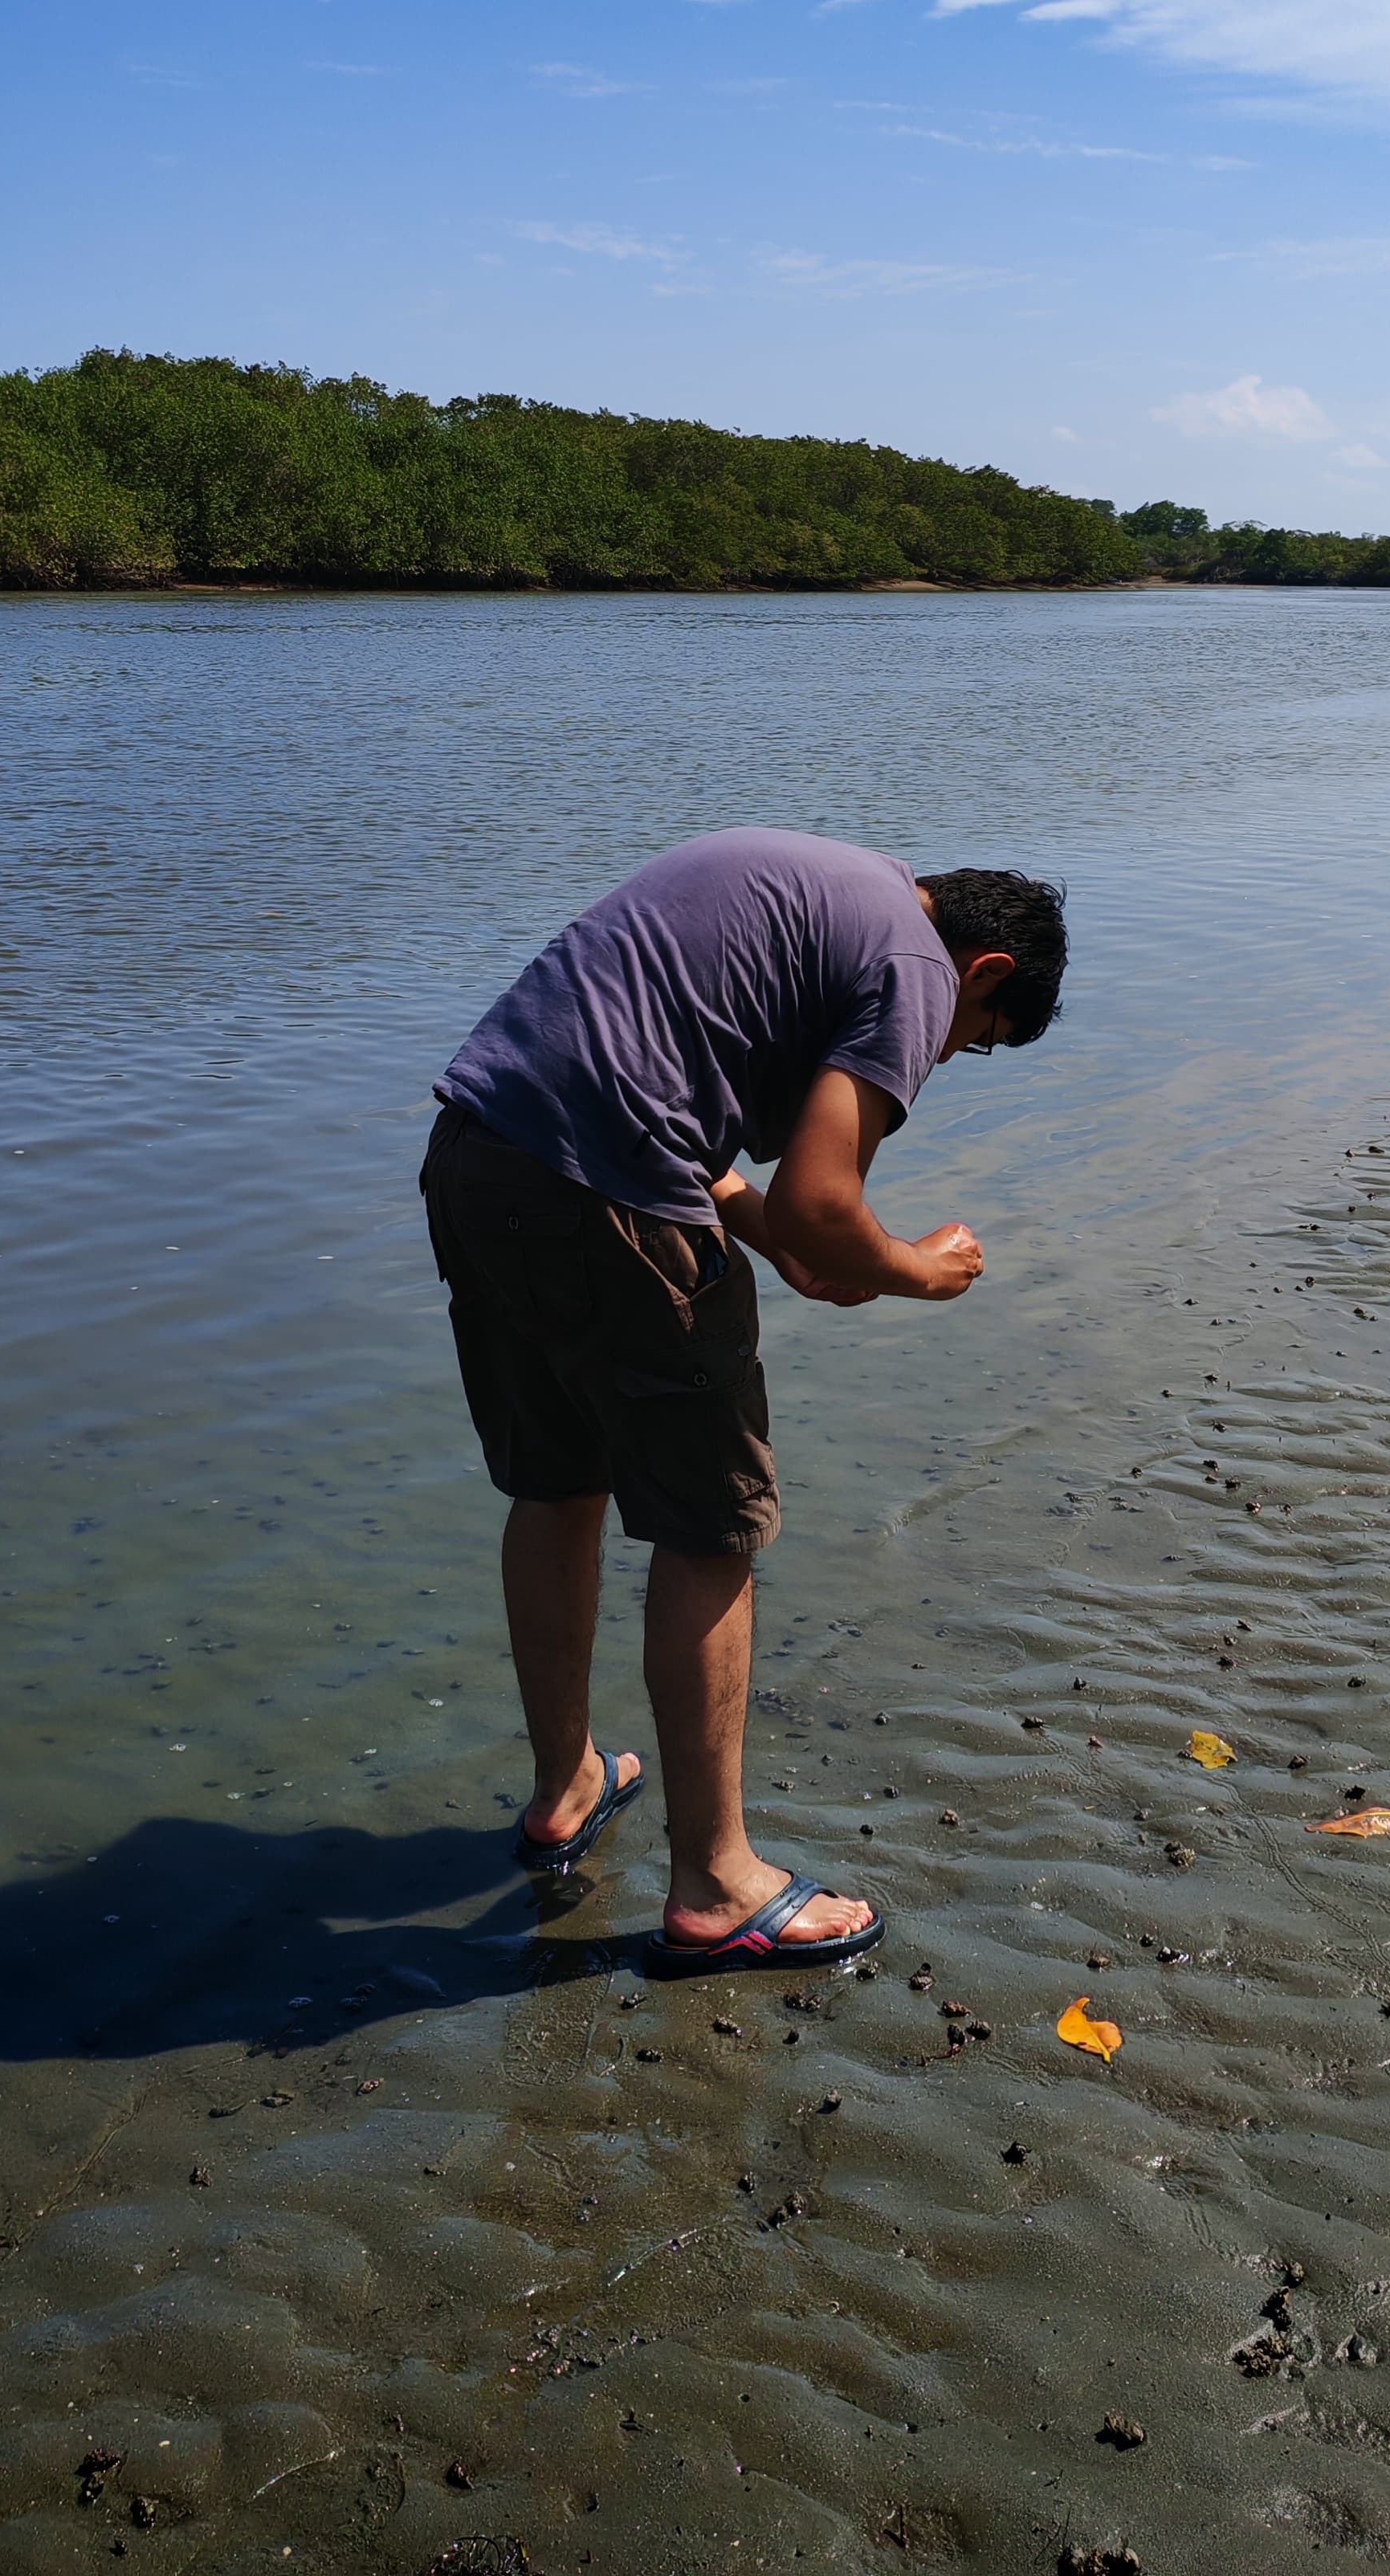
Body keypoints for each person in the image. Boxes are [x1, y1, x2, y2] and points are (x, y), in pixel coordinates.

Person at [420, 826, 1067, 1978]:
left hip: (478, 1156)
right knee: (712, 1530)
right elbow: (825, 1198)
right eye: (971, 1046)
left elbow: (665, 1106)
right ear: (988, 973)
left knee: (557, 1485)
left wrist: (778, 1242)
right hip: (604, 1207)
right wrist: (916, 1266)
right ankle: (718, 1885)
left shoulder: (806, 884)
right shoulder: (920, 965)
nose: (943, 1055)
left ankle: (566, 1783)